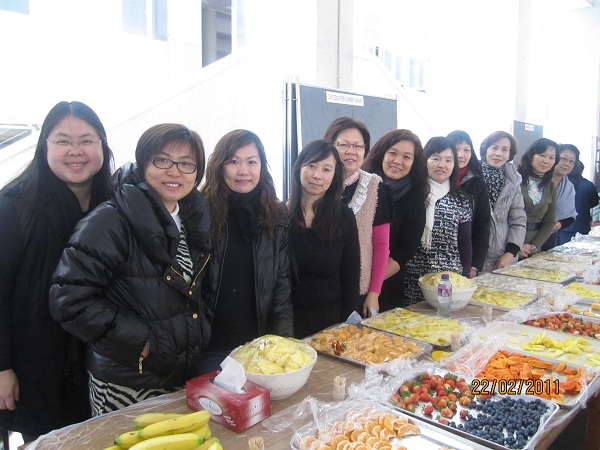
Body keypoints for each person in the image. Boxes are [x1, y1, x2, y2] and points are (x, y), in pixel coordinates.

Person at [49, 123, 211, 415]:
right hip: (127, 383)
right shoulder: (110, 220)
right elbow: (68, 298)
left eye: (186, 164)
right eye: (162, 160)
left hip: (178, 375)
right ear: (143, 162)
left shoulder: (192, 218)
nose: (174, 172)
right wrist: (142, 343)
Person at [0, 101, 114, 441]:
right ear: (45, 146)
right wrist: (2, 366)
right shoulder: (14, 204)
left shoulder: (116, 203)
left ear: (102, 145)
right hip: (35, 365)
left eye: (86, 140)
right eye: (63, 140)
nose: (75, 151)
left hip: (102, 364)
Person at [199, 129, 293, 373]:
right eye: (233, 162)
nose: (243, 171)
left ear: (262, 166)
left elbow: (281, 290)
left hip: (259, 349)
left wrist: (283, 345)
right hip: (211, 348)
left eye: (252, 162)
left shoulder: (275, 217)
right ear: (220, 166)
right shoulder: (200, 213)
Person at [287, 140, 361, 338]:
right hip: (287, 323)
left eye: (326, 169)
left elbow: (351, 275)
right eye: (311, 166)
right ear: (299, 168)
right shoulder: (279, 216)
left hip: (332, 324)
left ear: (334, 176)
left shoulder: (344, 216)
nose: (317, 175)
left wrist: (349, 326)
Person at [323, 117, 393, 317]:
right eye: (343, 144)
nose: (351, 151)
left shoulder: (376, 188)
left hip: (358, 290)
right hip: (320, 290)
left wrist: (374, 293)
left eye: (358, 146)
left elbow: (381, 246)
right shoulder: (316, 182)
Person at [362, 129, 428, 311]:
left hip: (385, 285)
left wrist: (371, 285)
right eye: (393, 153)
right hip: (349, 280)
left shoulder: (414, 199)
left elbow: (404, 252)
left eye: (406, 157)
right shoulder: (361, 185)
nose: (398, 161)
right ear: (381, 154)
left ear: (414, 163)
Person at [404, 137, 473, 304]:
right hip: (411, 277)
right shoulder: (411, 193)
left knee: (443, 317)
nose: (442, 165)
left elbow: (465, 241)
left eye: (448, 160)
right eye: (435, 158)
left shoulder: (462, 199)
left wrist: (465, 274)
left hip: (447, 279)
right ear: (424, 160)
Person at [479, 131, 527, 272]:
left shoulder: (513, 181)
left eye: (504, 149)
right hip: (476, 255)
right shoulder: (472, 177)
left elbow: (518, 219)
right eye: (494, 147)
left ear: (510, 154)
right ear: (485, 150)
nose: (498, 153)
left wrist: (511, 252)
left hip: (503, 256)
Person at [447, 130, 491, 278]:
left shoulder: (477, 183)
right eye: (456, 149)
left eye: (467, 150)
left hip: (466, 254)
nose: (461, 155)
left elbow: (482, 225)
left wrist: (475, 264)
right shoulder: (436, 179)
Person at [517, 138, 558, 259]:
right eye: (542, 155)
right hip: (509, 243)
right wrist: (515, 246)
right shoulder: (515, 179)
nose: (546, 161)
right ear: (531, 156)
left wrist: (533, 246)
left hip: (533, 247)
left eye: (551, 157)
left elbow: (549, 221)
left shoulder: (550, 185)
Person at [541, 144, 578, 250]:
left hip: (550, 237)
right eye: (563, 159)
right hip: (526, 236)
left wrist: (555, 226)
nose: (567, 164)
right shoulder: (538, 181)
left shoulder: (569, 187)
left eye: (571, 161)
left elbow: (570, 216)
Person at [559, 159, 599, 244]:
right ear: (581, 170)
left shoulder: (561, 184)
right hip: (581, 225)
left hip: (562, 225)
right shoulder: (588, 185)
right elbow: (594, 203)